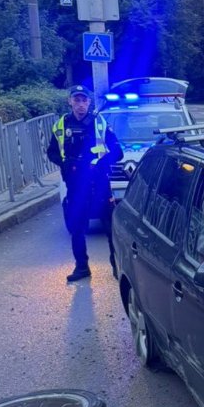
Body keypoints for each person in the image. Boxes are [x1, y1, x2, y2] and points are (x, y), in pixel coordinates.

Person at [47, 85, 123, 283]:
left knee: (110, 226)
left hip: (99, 183)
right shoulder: (61, 125)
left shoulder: (99, 122)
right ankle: (81, 267)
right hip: (75, 185)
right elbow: (51, 152)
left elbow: (118, 152)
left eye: (84, 100)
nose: (80, 104)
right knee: (77, 227)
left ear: (89, 102)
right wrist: (65, 163)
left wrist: (99, 164)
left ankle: (117, 265)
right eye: (77, 100)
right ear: (70, 101)